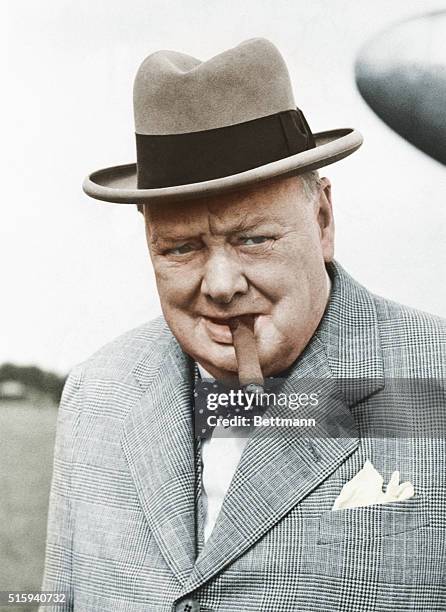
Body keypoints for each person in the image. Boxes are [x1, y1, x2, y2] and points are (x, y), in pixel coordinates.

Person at [41, 38, 446, 611]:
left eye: (253, 239)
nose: (222, 284)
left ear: (323, 220)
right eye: (180, 248)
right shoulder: (95, 394)